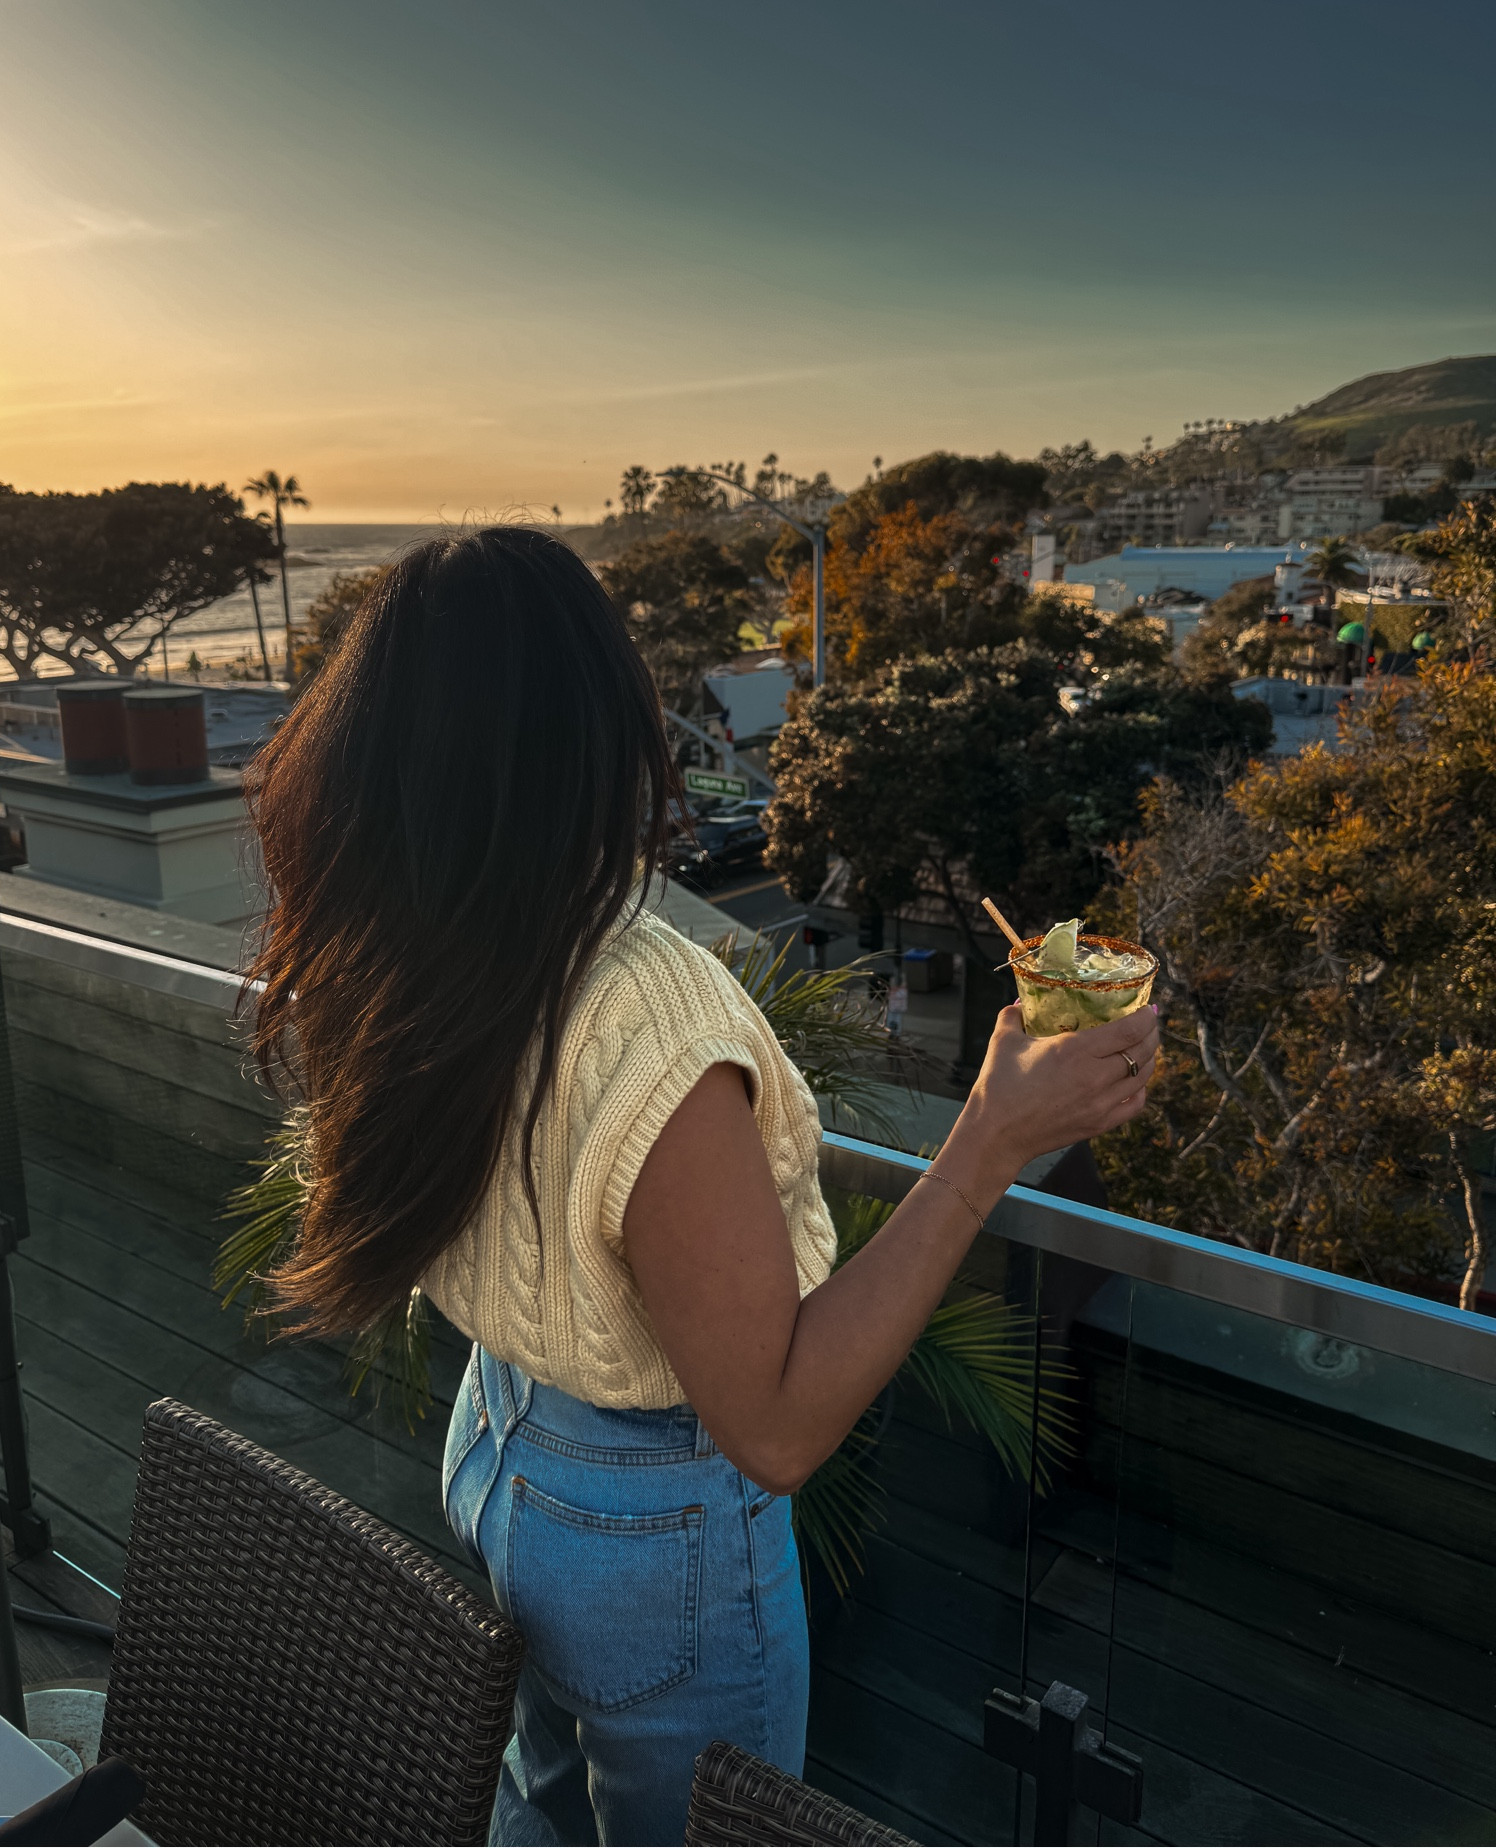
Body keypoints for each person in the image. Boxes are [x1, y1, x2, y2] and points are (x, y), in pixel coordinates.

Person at [244, 528, 1159, 1847]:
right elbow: (776, 1430)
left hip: (503, 1445)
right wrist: (990, 1142)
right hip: (648, 1536)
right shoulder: (646, 1019)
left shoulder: (400, 941)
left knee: (542, 1806)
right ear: (593, 736)